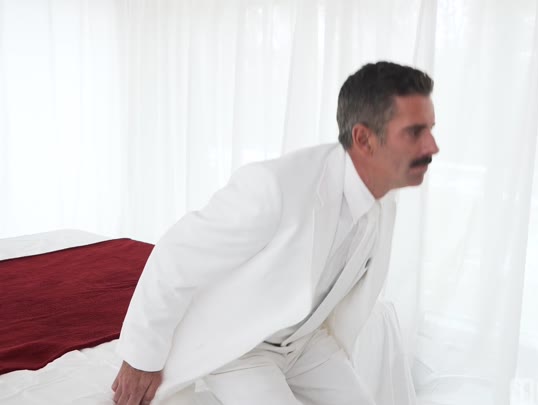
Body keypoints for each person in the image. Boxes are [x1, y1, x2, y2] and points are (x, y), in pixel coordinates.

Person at [110, 61, 439, 405]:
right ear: (363, 139)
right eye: (414, 132)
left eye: (430, 130)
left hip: (305, 341)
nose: (432, 146)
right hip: (241, 348)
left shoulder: (384, 198)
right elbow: (177, 255)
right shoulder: (274, 187)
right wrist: (141, 358)